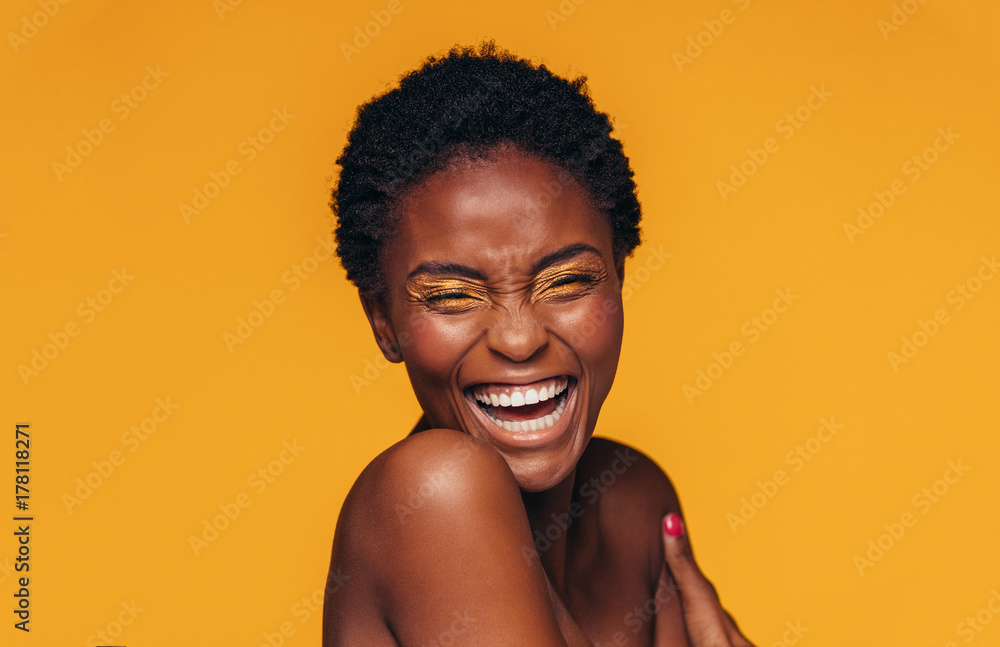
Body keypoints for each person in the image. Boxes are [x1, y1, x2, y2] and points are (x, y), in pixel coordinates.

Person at [323, 42, 755, 647]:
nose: (520, 339)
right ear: (384, 321)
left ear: (618, 278)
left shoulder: (630, 502)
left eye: (569, 281)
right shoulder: (433, 493)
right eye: (451, 295)